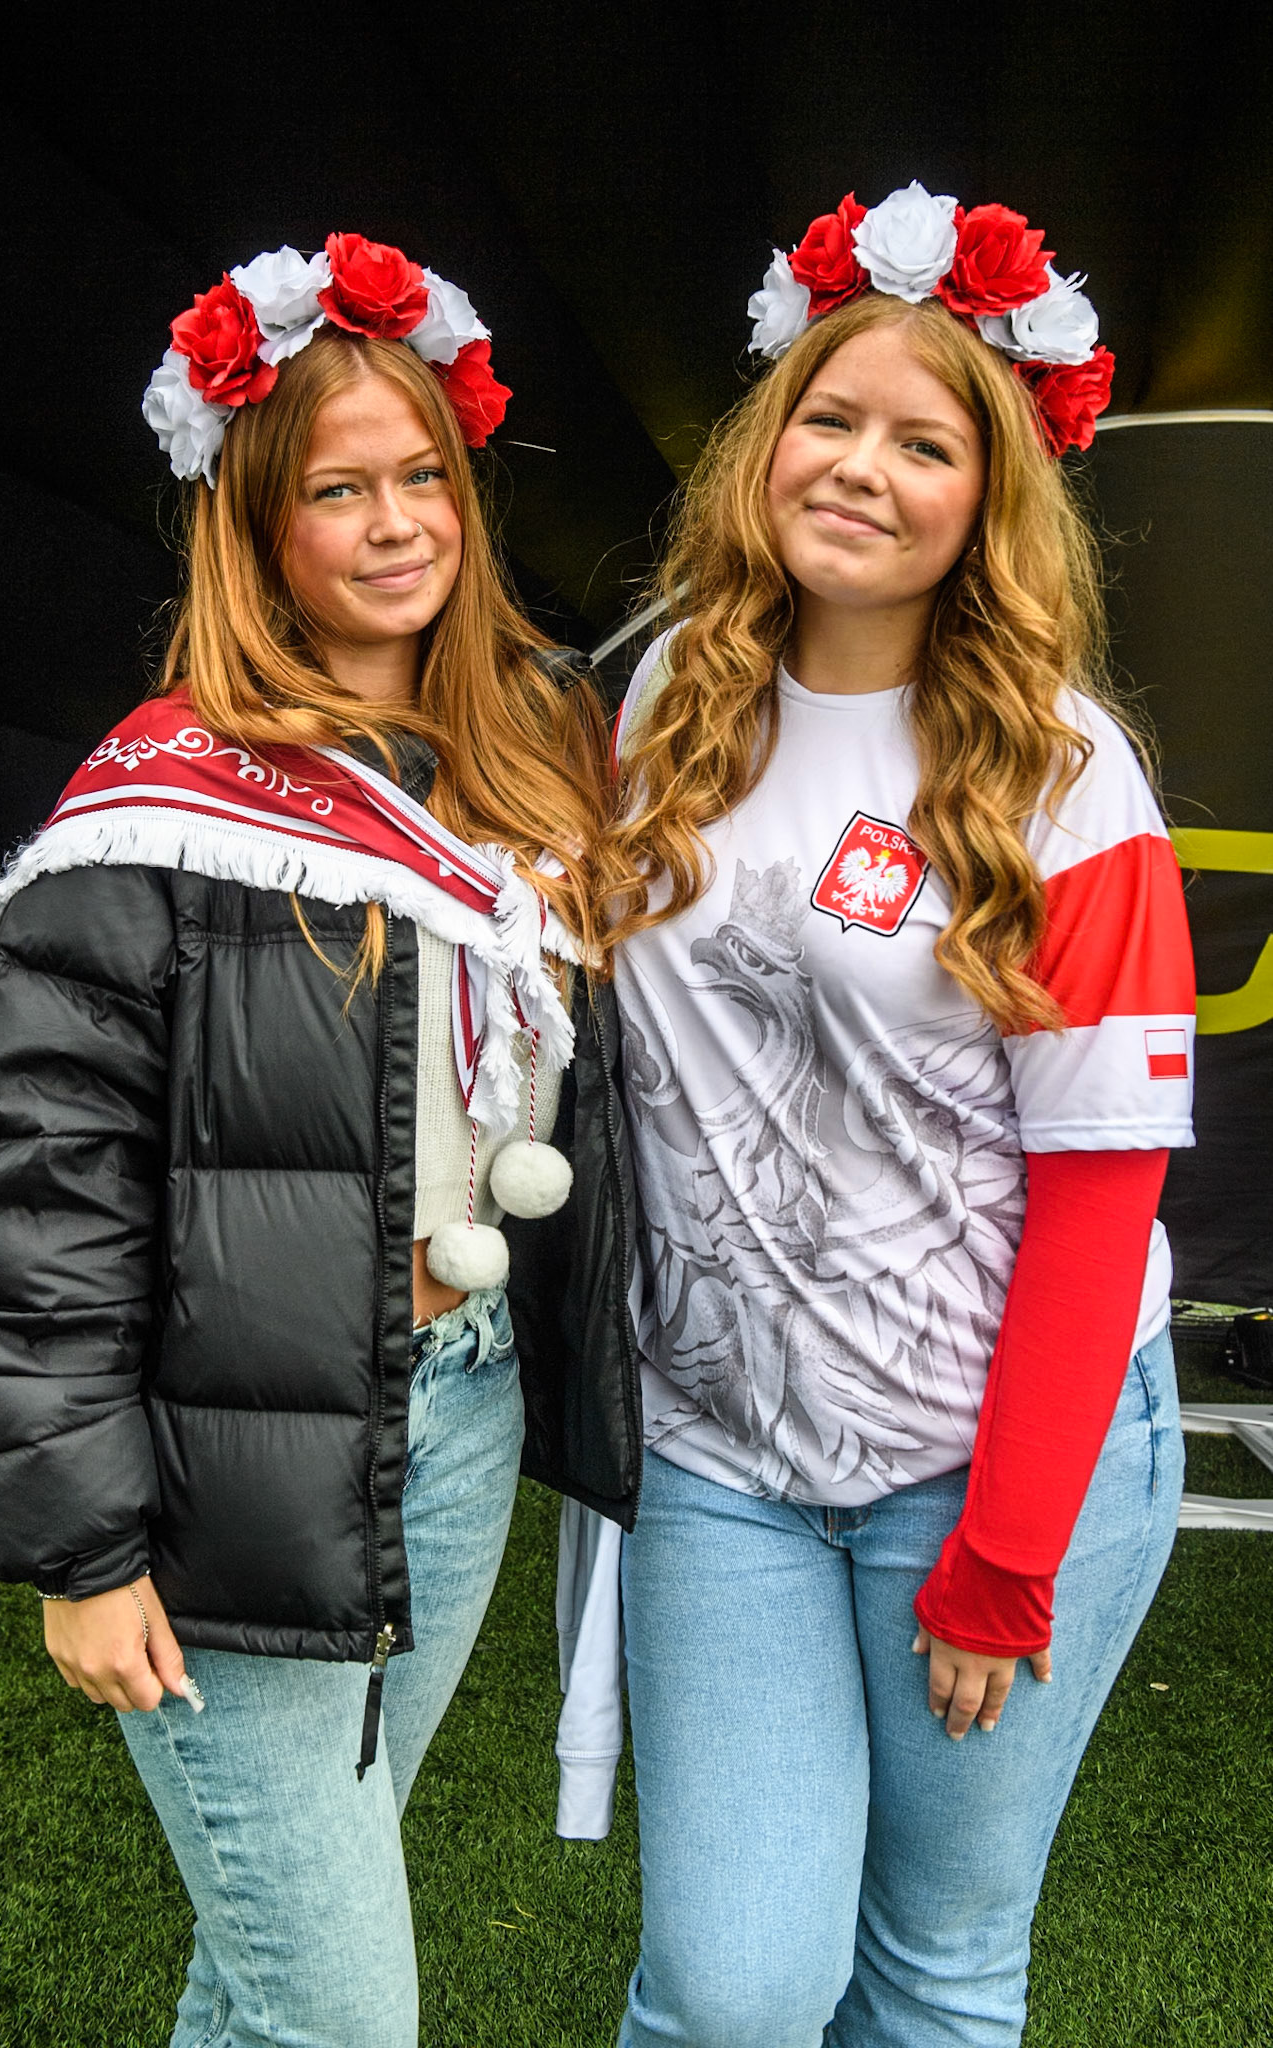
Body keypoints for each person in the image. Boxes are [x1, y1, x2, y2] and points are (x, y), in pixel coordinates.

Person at [0, 231, 639, 2048]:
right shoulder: (166, 797)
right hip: (220, 1460)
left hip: (458, 1408)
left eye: (424, 478)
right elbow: (38, 1199)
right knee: (337, 2010)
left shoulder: (520, 755)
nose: (399, 522)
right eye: (339, 489)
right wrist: (80, 1553)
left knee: (261, 1972)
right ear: (255, 526)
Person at [600, 183, 1195, 2046]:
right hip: (724, 1458)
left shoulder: (1062, 777)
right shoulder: (663, 697)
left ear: (989, 498)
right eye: (828, 419)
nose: (860, 467)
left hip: (1004, 1461)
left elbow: (1100, 1201)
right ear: (764, 443)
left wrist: (1004, 1557)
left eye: (923, 442)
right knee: (729, 1989)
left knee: (935, 1966)